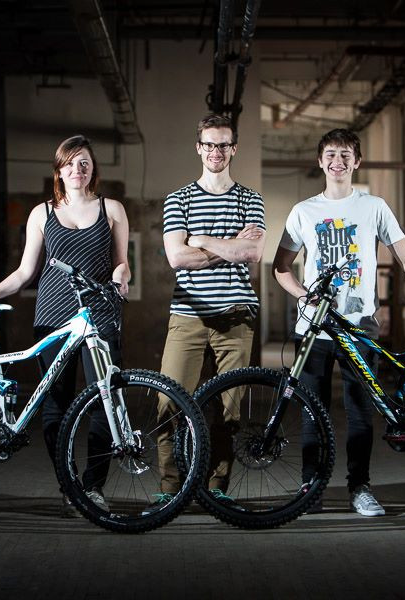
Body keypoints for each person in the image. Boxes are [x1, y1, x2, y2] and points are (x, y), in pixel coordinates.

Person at [272, 128, 405, 516]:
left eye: (345, 155)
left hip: (359, 326)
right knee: (312, 410)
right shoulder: (303, 211)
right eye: (330, 154)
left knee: (359, 411)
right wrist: (303, 295)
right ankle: (311, 487)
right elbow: (281, 266)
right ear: (320, 161)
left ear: (357, 162)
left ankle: (360, 488)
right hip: (314, 327)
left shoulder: (373, 207)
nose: (337, 161)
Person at [0, 135, 130, 515]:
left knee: (105, 399)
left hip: (99, 315)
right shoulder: (42, 213)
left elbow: (121, 262)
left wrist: (121, 278)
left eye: (84, 163)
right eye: (70, 163)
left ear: (93, 169)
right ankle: (68, 485)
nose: (77, 170)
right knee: (56, 405)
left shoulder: (112, 209)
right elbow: (24, 272)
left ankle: (93, 488)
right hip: (53, 316)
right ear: (59, 170)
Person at [149, 113, 266, 511]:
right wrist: (228, 245)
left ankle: (217, 488)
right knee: (168, 400)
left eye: (224, 145)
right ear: (199, 148)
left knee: (228, 408)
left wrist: (201, 239)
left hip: (236, 315)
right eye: (210, 144)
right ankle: (170, 487)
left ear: (234, 149)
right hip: (188, 314)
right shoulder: (178, 199)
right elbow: (177, 258)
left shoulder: (250, 199)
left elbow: (253, 252)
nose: (217, 151)